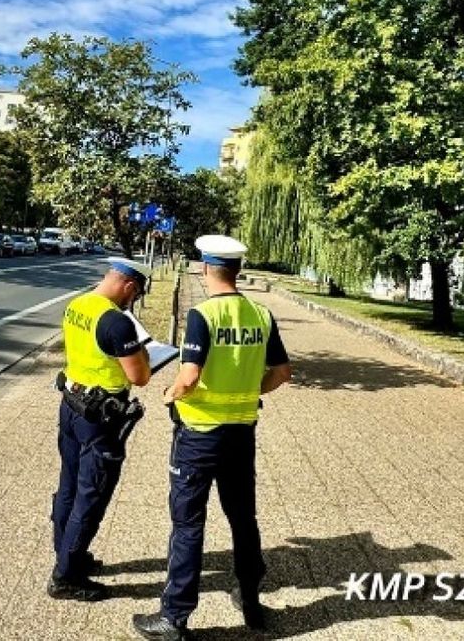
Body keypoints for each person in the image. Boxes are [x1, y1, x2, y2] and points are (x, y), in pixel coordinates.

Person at [133, 235, 292, 640]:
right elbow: (282, 372)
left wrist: (169, 393)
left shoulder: (203, 315)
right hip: (242, 433)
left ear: (205, 269)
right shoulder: (261, 315)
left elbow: (189, 378)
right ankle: (250, 600)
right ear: (237, 270)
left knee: (188, 523)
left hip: (199, 437)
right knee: (243, 517)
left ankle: (174, 617)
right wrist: (251, 391)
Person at [50, 257, 154, 602]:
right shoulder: (116, 322)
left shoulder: (77, 305)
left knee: (68, 485)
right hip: (99, 420)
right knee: (91, 495)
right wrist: (144, 352)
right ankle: (65, 578)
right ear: (128, 286)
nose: (132, 300)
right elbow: (140, 376)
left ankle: (67, 553)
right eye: (135, 294)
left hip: (71, 405)